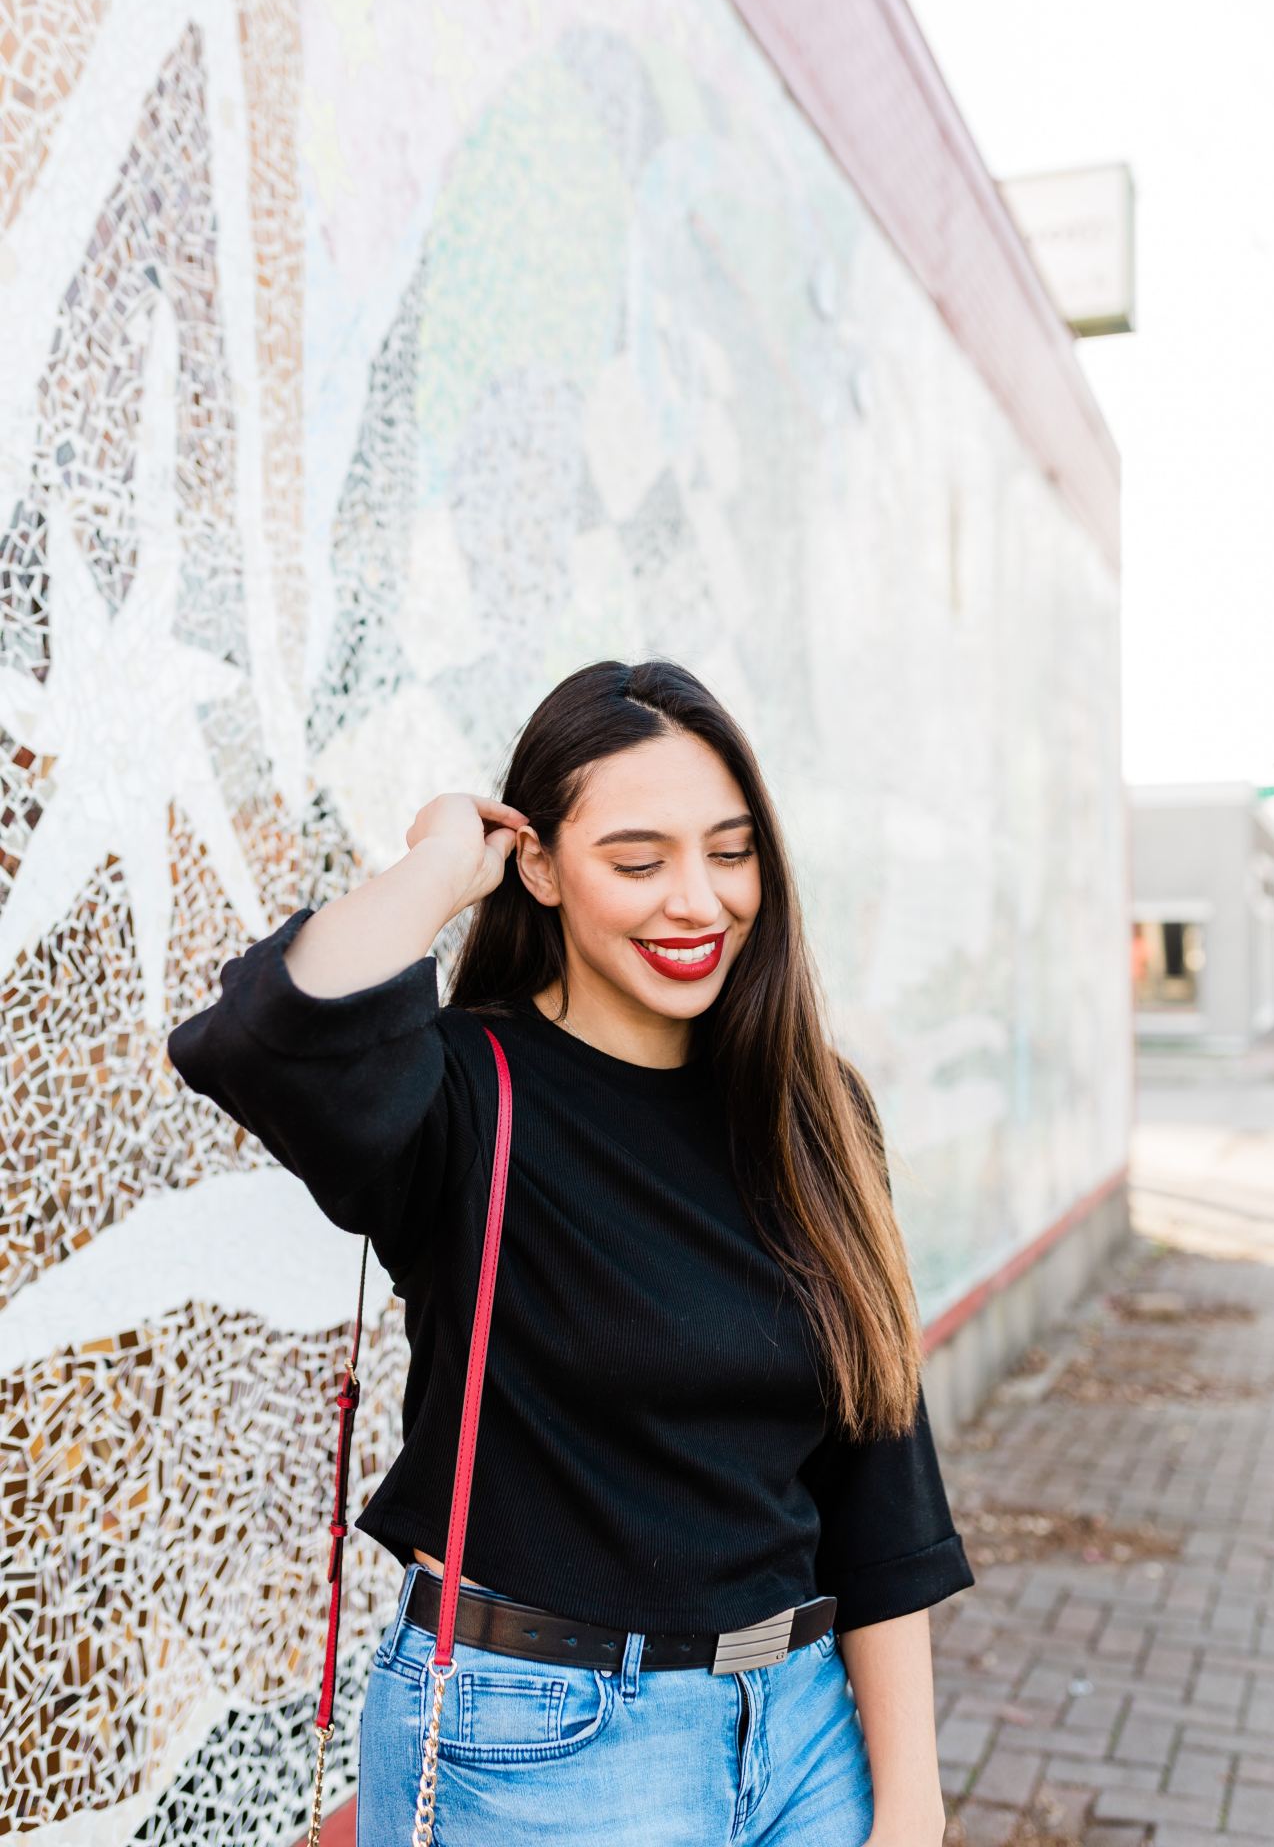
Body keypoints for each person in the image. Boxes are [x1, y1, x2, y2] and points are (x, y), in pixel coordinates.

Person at [166, 657, 974, 1847]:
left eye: (730, 850)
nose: (696, 901)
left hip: (803, 1734)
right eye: (636, 862)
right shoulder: (461, 1100)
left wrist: (910, 1802)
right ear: (538, 865)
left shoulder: (815, 1107)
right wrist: (441, 865)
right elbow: (259, 1035)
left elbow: (877, 1470)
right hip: (544, 1747)